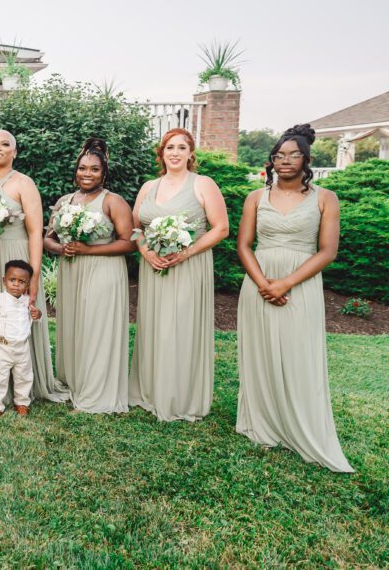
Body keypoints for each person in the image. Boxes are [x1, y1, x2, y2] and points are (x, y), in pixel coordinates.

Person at [236, 124, 353, 472]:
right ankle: (263, 421)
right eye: (279, 155)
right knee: (261, 352)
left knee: (298, 352)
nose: (285, 161)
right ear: (271, 160)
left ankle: (299, 426)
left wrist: (285, 283)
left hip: (301, 282)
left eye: (293, 155)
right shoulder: (256, 198)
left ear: (306, 159)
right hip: (259, 280)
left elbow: (328, 251)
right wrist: (264, 283)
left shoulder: (324, 198)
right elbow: (244, 245)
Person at [129, 127, 228, 421]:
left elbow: (221, 228)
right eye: (170, 147)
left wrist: (185, 253)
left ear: (190, 154)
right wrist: (146, 252)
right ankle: (150, 389)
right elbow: (136, 228)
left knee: (181, 326)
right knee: (155, 324)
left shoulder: (203, 184)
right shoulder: (148, 187)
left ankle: (180, 395)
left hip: (188, 266)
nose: (175, 153)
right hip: (154, 268)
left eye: (181, 148)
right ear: (162, 153)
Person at [0, 130, 68, 403]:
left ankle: (23, 385)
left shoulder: (24, 183)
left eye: (5, 144)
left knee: (19, 316)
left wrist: (33, 275)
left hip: (17, 258)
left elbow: (35, 232)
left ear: (14, 152)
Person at [44, 138, 135, 413]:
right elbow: (47, 238)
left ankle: (97, 390)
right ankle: (75, 381)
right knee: (74, 324)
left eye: (94, 169)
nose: (87, 173)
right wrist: (61, 247)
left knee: (97, 327)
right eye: (82, 168)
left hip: (103, 271)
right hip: (72, 270)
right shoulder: (65, 201)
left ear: (104, 172)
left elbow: (129, 243)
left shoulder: (113, 202)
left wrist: (88, 249)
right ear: (76, 170)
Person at [0, 260, 42, 421]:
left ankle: (22, 402)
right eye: (12, 280)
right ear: (4, 280)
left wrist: (38, 315)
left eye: (21, 282)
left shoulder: (27, 301)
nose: (16, 285)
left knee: (24, 376)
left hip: (22, 348)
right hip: (2, 347)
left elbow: (33, 318)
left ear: (27, 285)